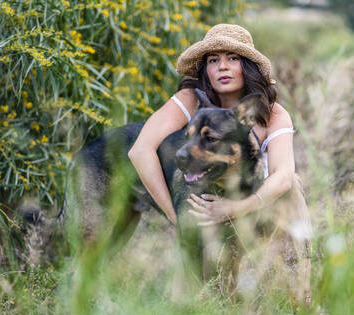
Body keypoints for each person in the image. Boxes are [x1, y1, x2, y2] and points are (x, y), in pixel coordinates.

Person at [128, 24, 299, 226]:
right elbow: (140, 151)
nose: (222, 66)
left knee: (294, 185)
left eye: (233, 58)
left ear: (248, 66)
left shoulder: (273, 113)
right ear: (206, 69)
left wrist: (235, 209)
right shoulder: (191, 98)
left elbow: (284, 175)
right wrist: (174, 216)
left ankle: (301, 256)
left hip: (252, 195)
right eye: (213, 60)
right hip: (204, 187)